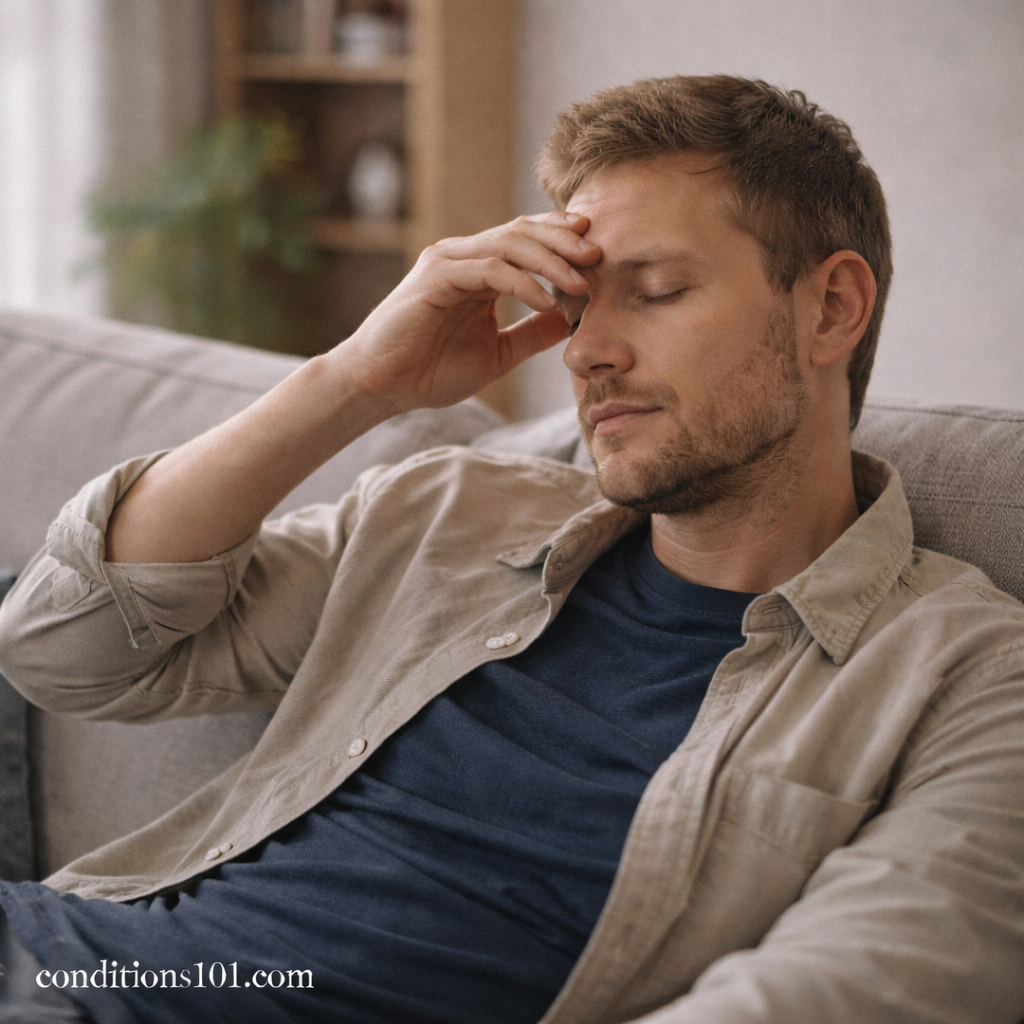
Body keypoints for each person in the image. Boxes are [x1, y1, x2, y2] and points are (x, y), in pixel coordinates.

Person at [1, 74, 1023, 1024]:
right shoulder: (455, 512)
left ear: (831, 307)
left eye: (655, 289)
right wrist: (355, 379)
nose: (584, 350)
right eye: (576, 304)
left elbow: (858, 977)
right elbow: (63, 645)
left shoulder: (967, 675)